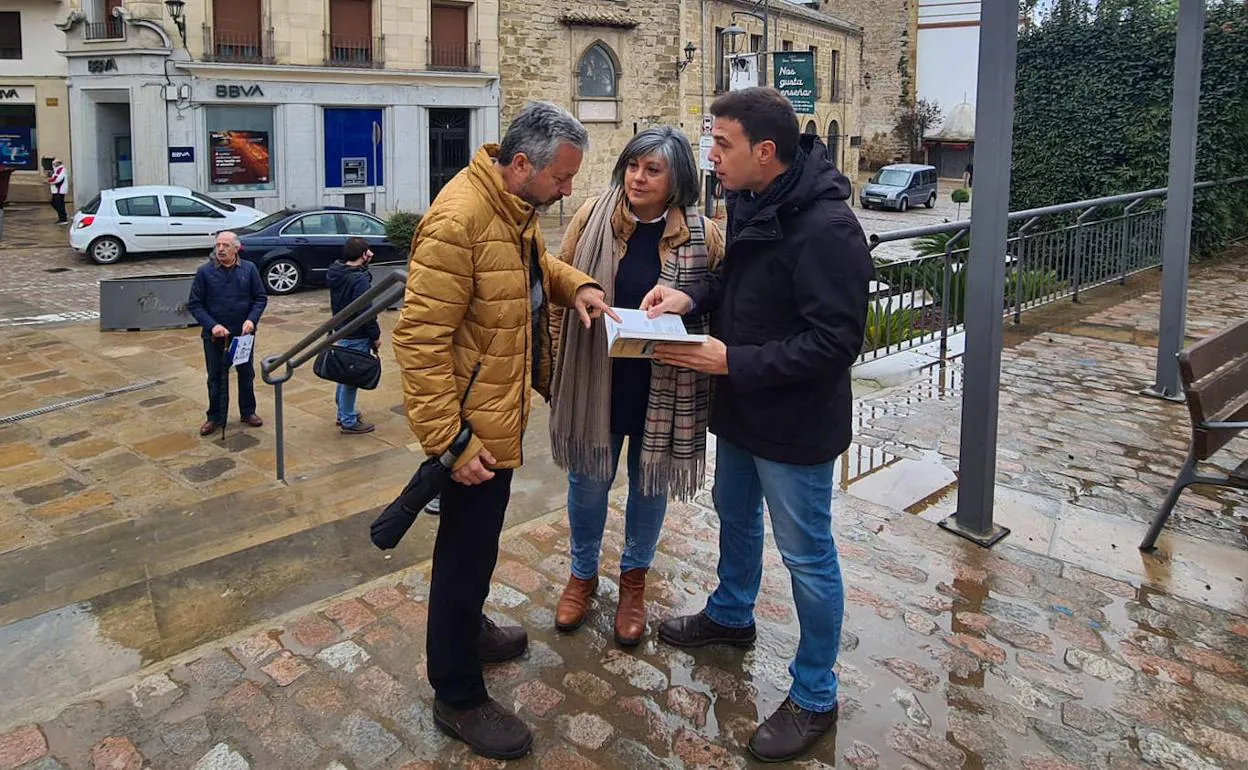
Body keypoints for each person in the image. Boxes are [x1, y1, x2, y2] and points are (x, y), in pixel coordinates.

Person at [641, 87, 872, 763]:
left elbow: (836, 343)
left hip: (796, 423)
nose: (709, 156)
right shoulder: (750, 199)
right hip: (740, 404)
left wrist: (730, 358)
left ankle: (815, 695)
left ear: (764, 153)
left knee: (807, 557)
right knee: (734, 516)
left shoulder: (828, 230)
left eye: (721, 145)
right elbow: (739, 284)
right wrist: (692, 295)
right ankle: (732, 614)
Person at [391, 101, 617, 761]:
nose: (568, 190)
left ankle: (471, 631)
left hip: (497, 416)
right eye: (562, 178)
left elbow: (532, 268)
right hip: (470, 434)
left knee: (479, 546)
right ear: (521, 164)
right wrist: (450, 443)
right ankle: (457, 692)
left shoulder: (509, 209)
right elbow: (419, 342)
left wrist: (575, 284)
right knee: (462, 559)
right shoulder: (458, 220)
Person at [547, 126, 724, 646]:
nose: (638, 178)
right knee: (586, 484)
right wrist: (558, 367)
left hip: (663, 386)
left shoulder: (704, 235)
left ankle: (633, 583)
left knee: (648, 487)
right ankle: (581, 576)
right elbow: (563, 292)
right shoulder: (593, 217)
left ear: (677, 181)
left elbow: (715, 302)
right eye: (632, 166)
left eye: (653, 170)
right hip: (597, 380)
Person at [187, 231, 269, 436]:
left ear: (236, 248)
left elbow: (260, 298)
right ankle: (214, 417)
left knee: (246, 373)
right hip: (216, 336)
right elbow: (195, 304)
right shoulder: (204, 272)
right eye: (218, 245)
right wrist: (212, 325)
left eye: (225, 245)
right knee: (215, 377)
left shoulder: (249, 269)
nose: (221, 249)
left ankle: (248, 411)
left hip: (242, 335)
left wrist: (251, 320)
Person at [327, 237, 380, 434]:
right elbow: (365, 311)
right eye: (368, 251)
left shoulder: (338, 272)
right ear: (363, 255)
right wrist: (375, 336)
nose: (371, 254)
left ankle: (343, 413)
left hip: (341, 330)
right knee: (352, 379)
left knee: (344, 374)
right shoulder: (358, 279)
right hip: (357, 334)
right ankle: (348, 420)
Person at [47, 159, 68, 224]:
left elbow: (57, 179)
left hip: (59, 190)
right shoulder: (57, 170)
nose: (53, 165)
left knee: (59, 204)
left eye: (54, 164)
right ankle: (63, 215)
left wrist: (49, 181)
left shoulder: (61, 170)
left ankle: (63, 218)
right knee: (54, 203)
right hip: (56, 191)